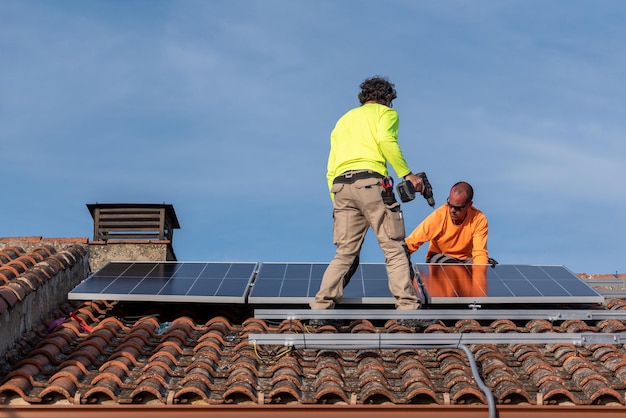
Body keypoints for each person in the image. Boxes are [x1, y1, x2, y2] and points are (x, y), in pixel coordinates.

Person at [309, 76, 426, 327]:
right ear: (387, 98)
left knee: (344, 253)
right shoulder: (385, 114)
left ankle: (321, 309)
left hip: (340, 186)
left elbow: (330, 166)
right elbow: (386, 141)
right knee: (393, 248)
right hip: (372, 183)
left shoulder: (343, 121)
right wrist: (407, 174)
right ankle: (407, 309)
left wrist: (336, 201)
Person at [405, 181, 489, 264]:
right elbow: (413, 241)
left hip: (466, 261)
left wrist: (481, 273)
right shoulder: (439, 216)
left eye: (457, 208)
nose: (452, 210)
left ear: (469, 205)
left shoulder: (478, 219)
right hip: (441, 257)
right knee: (451, 269)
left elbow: (479, 253)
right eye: (450, 205)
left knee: (489, 268)